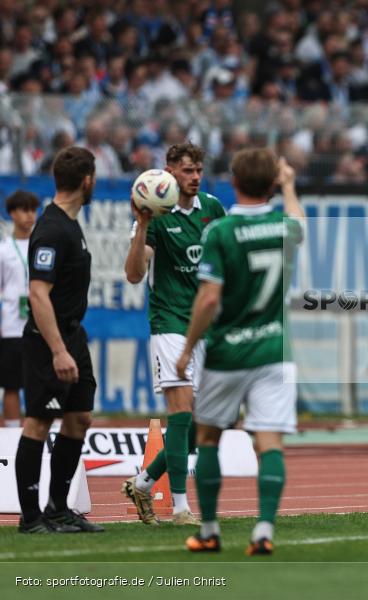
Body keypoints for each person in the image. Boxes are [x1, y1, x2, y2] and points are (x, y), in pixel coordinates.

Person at [176, 149, 304, 555]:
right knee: (270, 443)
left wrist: (188, 347)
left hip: (228, 352)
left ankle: (210, 530)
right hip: (274, 351)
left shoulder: (220, 231)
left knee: (209, 436)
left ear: (233, 182)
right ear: (270, 184)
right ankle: (263, 530)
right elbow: (300, 221)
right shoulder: (283, 226)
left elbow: (209, 299)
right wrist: (288, 185)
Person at [121, 143, 226, 525]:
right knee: (180, 414)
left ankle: (144, 483)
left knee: (209, 421)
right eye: (187, 171)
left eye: (198, 169)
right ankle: (181, 508)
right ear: (168, 171)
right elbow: (134, 274)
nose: (195, 177)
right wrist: (144, 225)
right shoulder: (156, 216)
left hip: (205, 327)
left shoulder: (212, 209)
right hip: (169, 324)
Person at [15, 147, 105, 533]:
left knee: (79, 418)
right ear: (87, 180)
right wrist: (57, 351)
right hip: (48, 341)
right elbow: (38, 293)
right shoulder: (52, 228)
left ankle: (58, 508)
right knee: (38, 423)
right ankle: (31, 517)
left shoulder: (70, 223)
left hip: (74, 334)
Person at [0, 191, 38, 428]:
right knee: (11, 383)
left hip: (39, 325)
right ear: (12, 213)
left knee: (40, 383)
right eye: (24, 210)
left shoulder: (42, 245)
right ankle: (13, 434)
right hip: (12, 326)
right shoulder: (4, 249)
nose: (30, 216)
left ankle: (36, 431)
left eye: (33, 210)